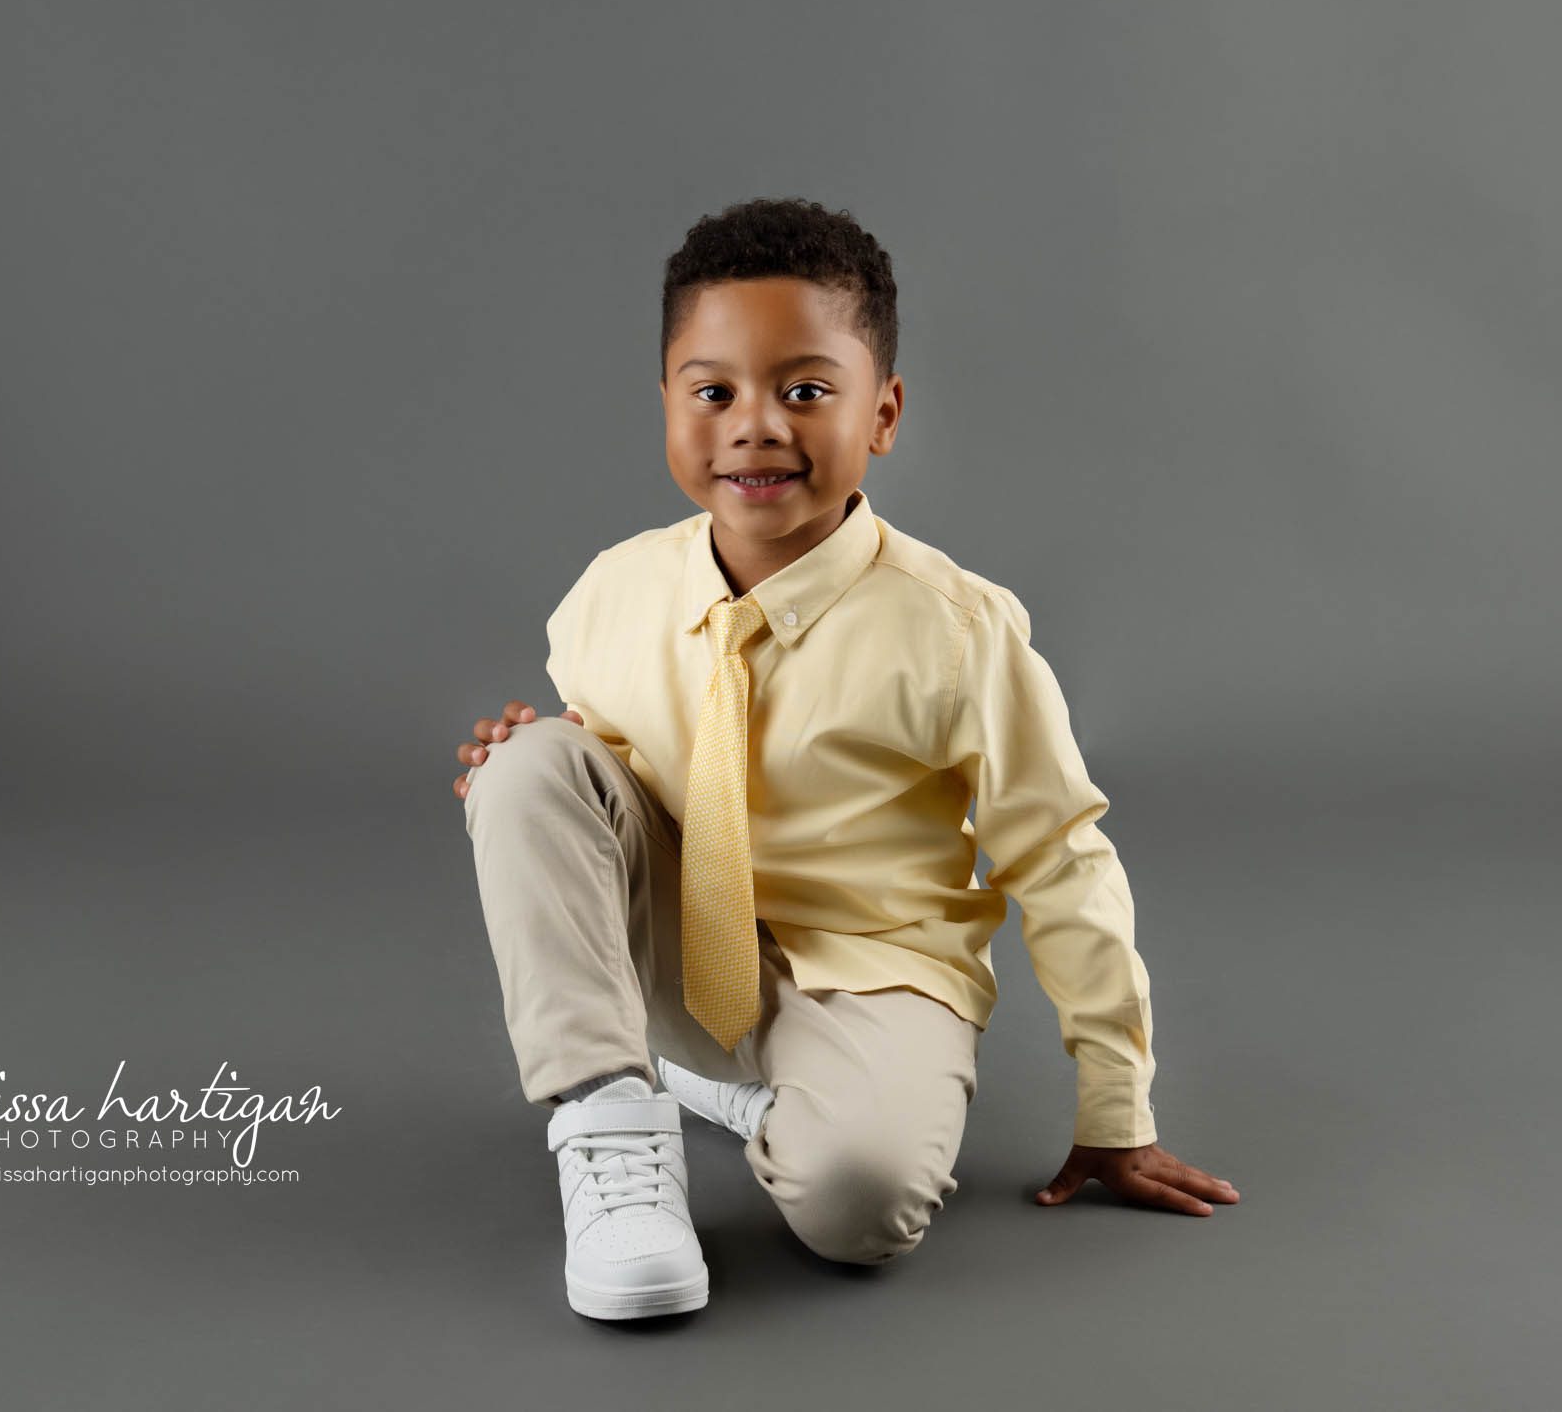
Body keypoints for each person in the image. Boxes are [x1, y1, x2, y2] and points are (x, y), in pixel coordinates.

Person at [455, 196, 1239, 1321]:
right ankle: (610, 1126)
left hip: (871, 969)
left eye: (806, 391)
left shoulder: (956, 630)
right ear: (667, 406)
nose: (755, 427)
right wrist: (532, 775)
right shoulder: (610, 593)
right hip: (684, 954)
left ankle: (757, 1094)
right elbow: (606, 801)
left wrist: (1114, 1108)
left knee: (861, 1215)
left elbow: (1059, 857)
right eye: (712, 391)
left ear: (883, 413)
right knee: (530, 761)